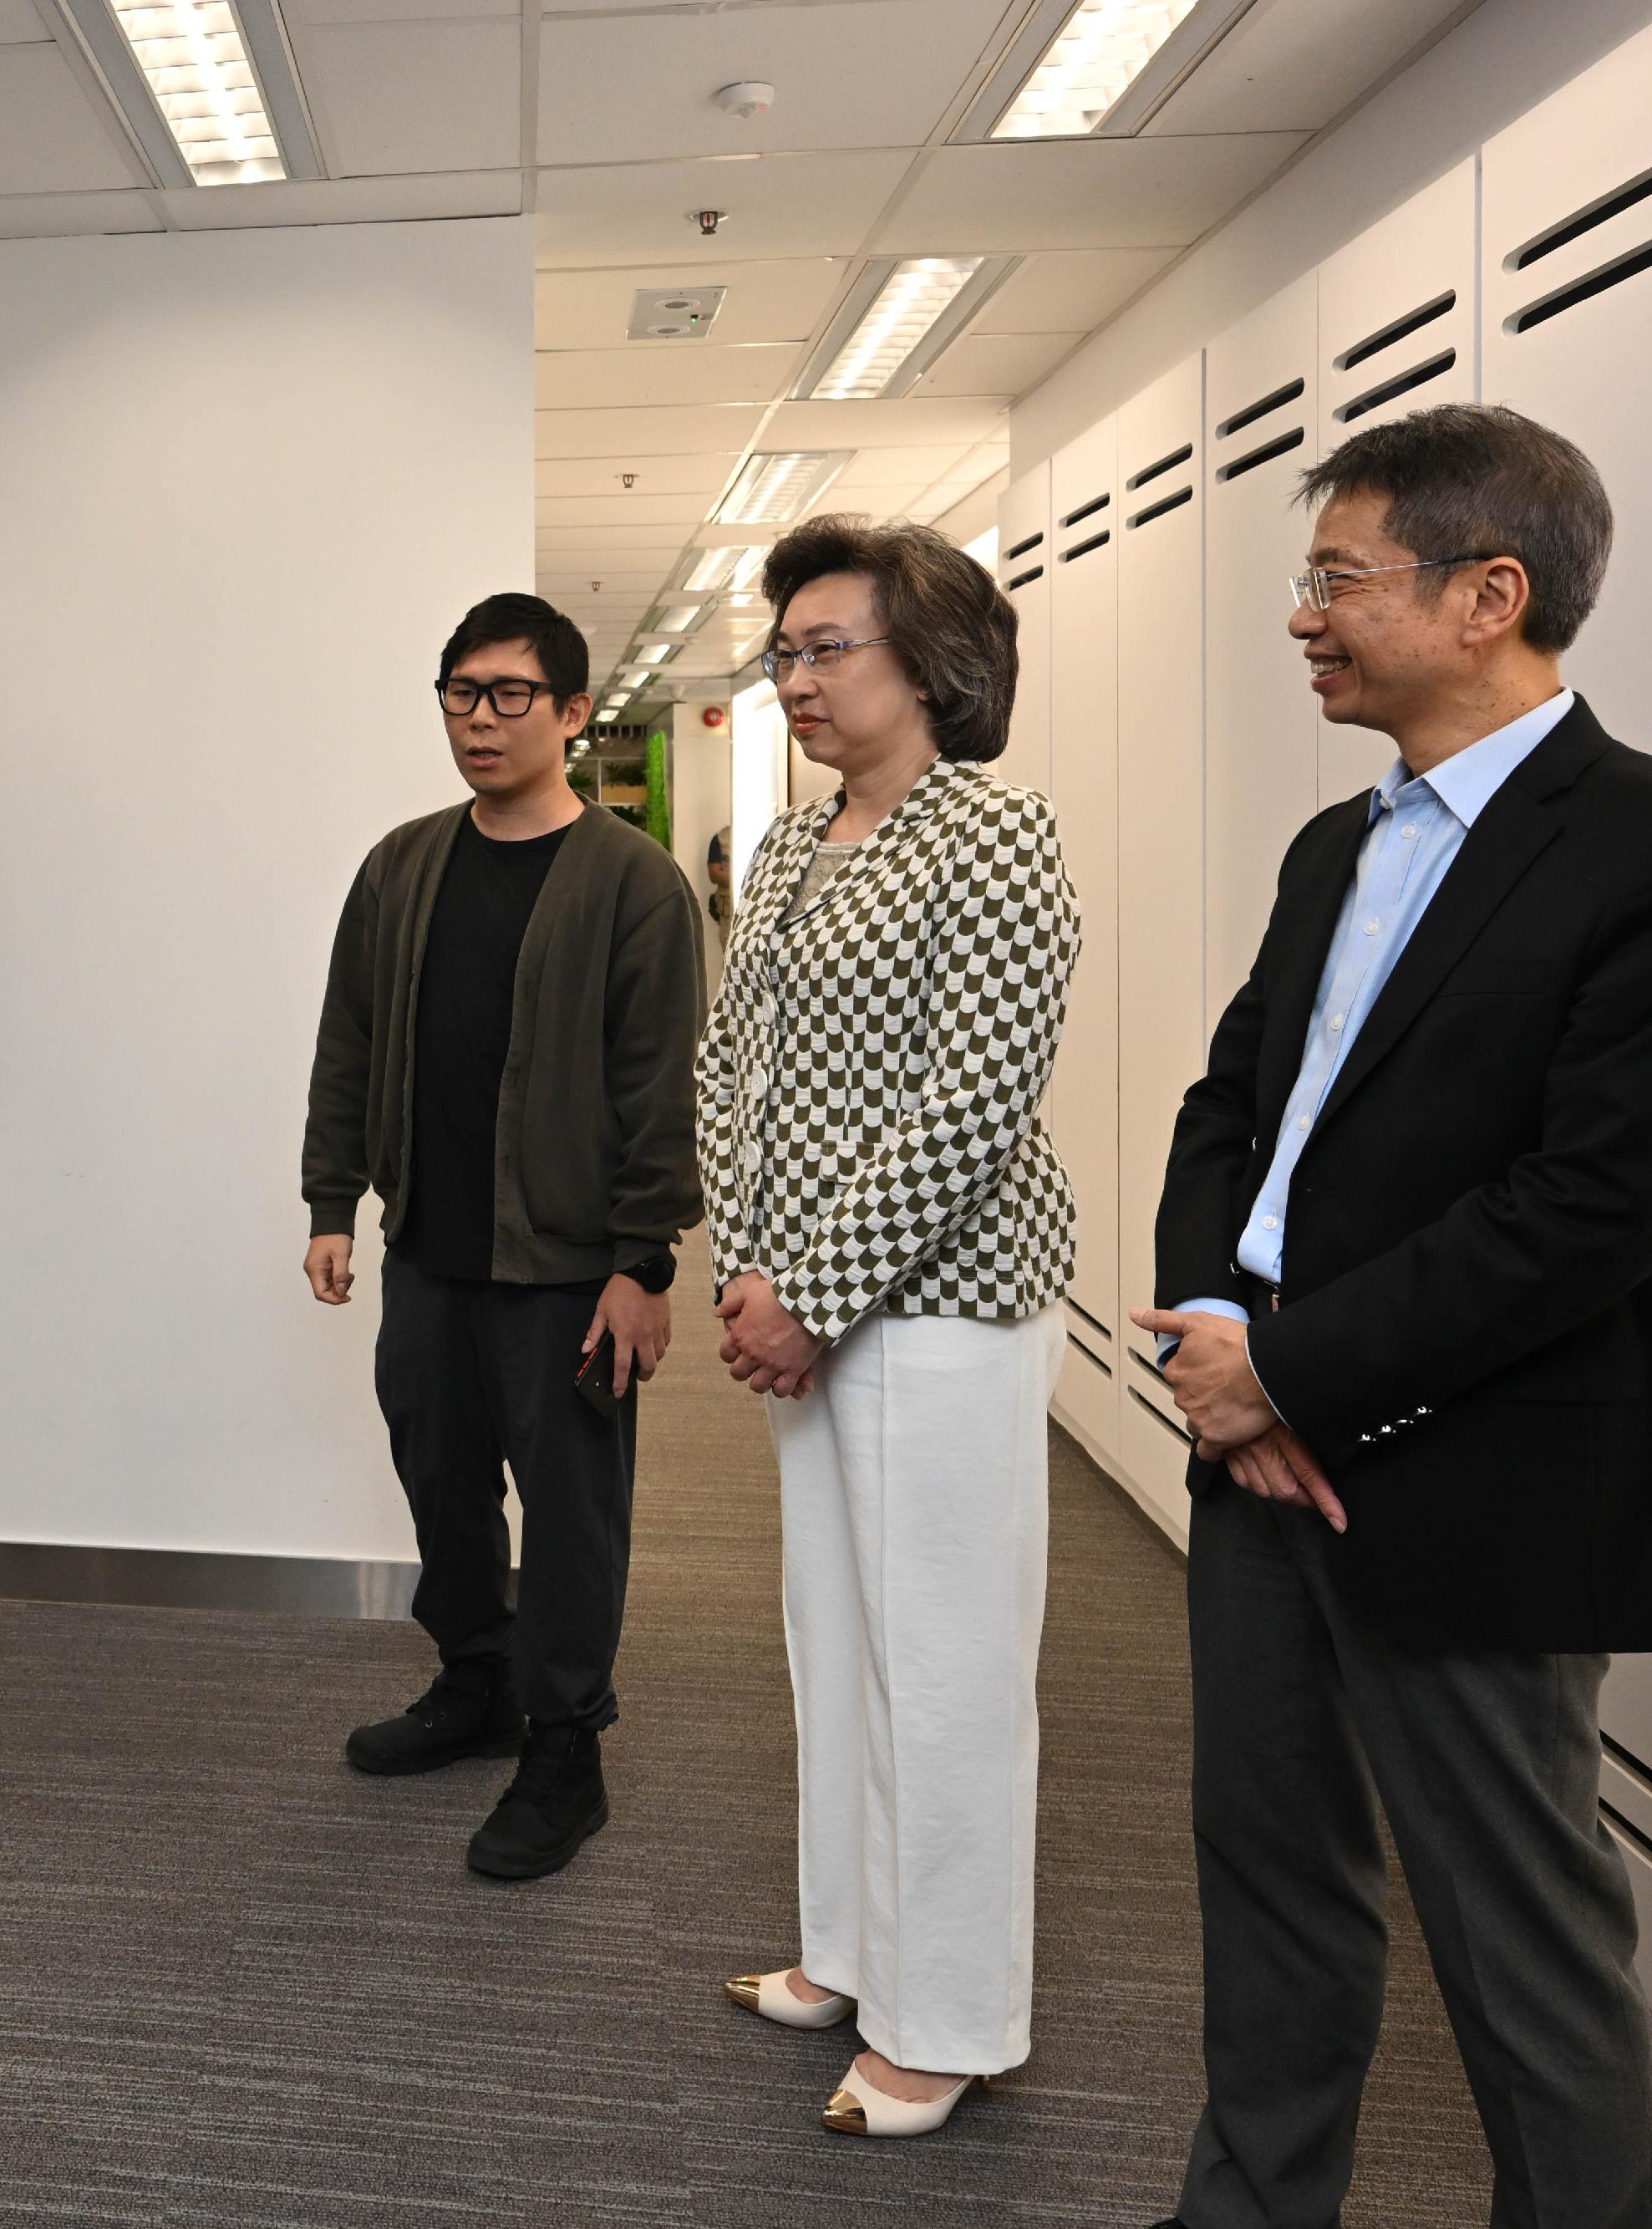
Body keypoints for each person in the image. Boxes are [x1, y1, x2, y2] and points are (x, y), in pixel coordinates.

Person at [1133, 403, 1652, 2229]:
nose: (1301, 615)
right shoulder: (1326, 850)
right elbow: (1228, 1112)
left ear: (1483, 594)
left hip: (1470, 1481)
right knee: (1268, 1882)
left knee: (1523, 1949)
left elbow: (1588, 1208)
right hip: (1248, 1442)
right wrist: (1213, 1327)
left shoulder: (1630, 845)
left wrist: (1286, 1364)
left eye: (1333, 577)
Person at [692, 516, 1078, 2140]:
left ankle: (949, 2018)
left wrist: (809, 1286)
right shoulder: (787, 846)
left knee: (940, 1665)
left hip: (944, 1306)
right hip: (796, 1302)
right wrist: (741, 1264)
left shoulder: (992, 834)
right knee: (833, 1641)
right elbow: (730, 1063)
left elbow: (966, 1100)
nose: (793, 675)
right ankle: (849, 1950)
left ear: (926, 660)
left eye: (823, 646)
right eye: (779, 649)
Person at [299, 592, 704, 1883]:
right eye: (461, 693)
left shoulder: (633, 884)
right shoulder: (404, 863)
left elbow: (661, 1086)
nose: (480, 719)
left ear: (575, 715)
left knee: (575, 1513)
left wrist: (647, 1262)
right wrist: (331, 1202)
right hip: (430, 1248)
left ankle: (566, 1747)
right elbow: (349, 1043)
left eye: (510, 695)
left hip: (572, 1268)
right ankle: (476, 1683)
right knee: (442, 1482)